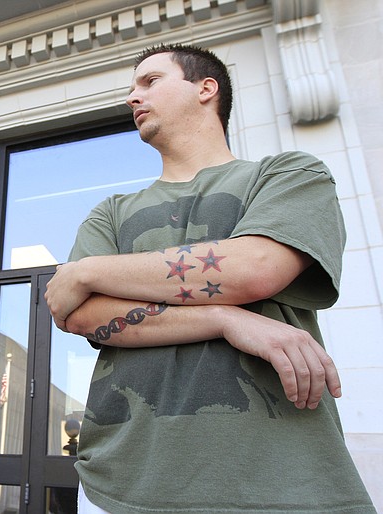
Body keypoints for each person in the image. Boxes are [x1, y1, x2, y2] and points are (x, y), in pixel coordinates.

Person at [44, 44, 375, 513]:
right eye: (132, 88)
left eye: (150, 81)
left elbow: (255, 268)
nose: (132, 97)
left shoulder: (286, 174)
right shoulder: (112, 213)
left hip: (279, 479)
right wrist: (224, 318)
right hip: (120, 482)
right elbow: (79, 315)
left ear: (206, 88)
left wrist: (90, 270)